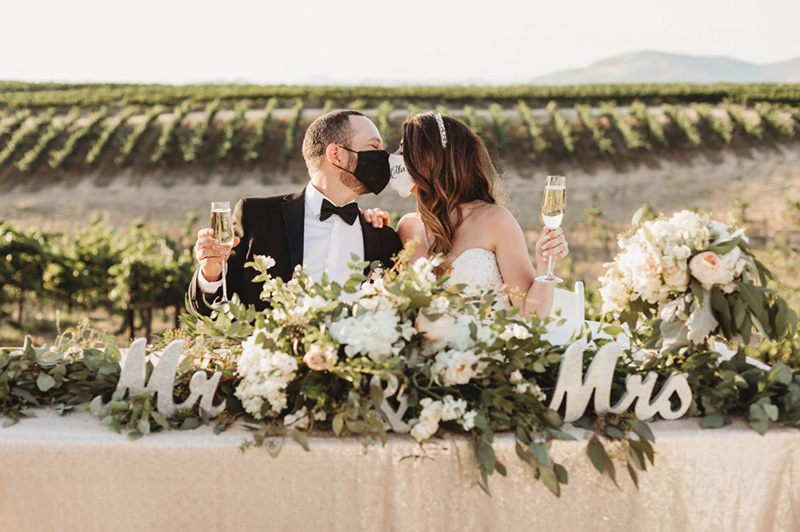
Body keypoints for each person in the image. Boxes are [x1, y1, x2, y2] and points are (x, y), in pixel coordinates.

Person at [188, 110, 402, 316]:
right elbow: (212, 309)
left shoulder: (383, 238)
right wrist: (210, 273)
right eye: (374, 147)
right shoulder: (257, 217)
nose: (382, 158)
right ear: (336, 155)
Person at [377, 112, 569, 319]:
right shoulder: (407, 227)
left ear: (431, 158)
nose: (394, 156)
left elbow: (531, 313)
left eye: (403, 149)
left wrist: (544, 262)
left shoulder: (494, 220)